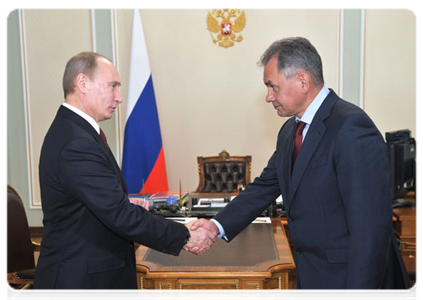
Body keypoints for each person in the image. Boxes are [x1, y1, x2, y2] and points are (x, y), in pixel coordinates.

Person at [191, 37, 414, 300]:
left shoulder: (351, 128)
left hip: (349, 283)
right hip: (311, 278)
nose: (268, 97)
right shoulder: (290, 131)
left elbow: (370, 230)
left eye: (272, 86)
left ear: (303, 81)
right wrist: (216, 226)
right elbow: (264, 187)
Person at [33, 52, 216, 300]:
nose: (119, 98)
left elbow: (91, 203)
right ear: (83, 83)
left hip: (93, 274)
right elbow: (118, 216)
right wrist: (184, 235)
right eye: (113, 86)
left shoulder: (77, 132)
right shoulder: (77, 141)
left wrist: (123, 202)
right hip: (80, 284)